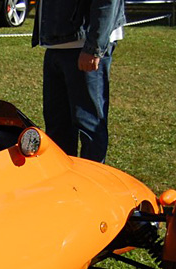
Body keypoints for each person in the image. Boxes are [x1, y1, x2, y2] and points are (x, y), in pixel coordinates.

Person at [31, 0, 126, 163]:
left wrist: (94, 47)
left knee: (89, 124)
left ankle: (92, 181)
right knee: (57, 124)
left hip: (84, 44)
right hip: (56, 43)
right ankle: (64, 181)